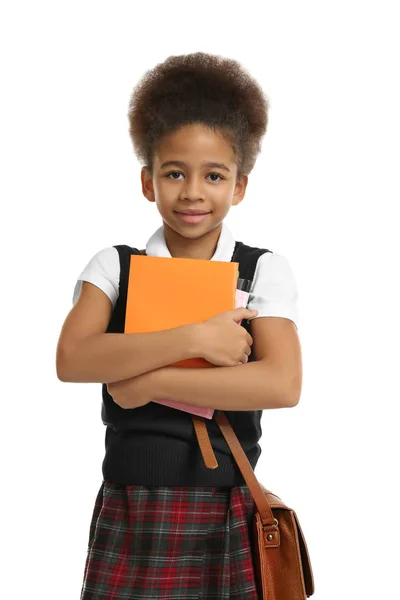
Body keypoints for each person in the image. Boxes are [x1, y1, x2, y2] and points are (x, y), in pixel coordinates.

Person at [56, 51, 302, 600]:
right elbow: (73, 359)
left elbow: (281, 384)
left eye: (214, 175)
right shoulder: (113, 265)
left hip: (227, 502)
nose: (193, 191)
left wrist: (148, 383)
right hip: (132, 500)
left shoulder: (261, 268)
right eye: (174, 173)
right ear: (148, 181)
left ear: (239, 186)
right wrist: (195, 339)